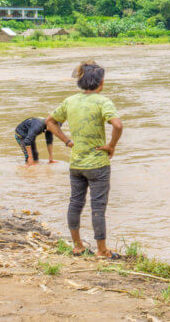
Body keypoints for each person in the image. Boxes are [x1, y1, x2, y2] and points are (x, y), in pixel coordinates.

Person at [46, 61, 124, 260]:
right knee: (98, 207)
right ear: (101, 82)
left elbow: (50, 122)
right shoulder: (102, 102)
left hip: (76, 164)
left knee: (75, 203)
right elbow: (117, 125)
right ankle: (101, 250)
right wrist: (111, 146)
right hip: (98, 164)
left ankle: (77, 246)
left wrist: (67, 141)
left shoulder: (70, 101)